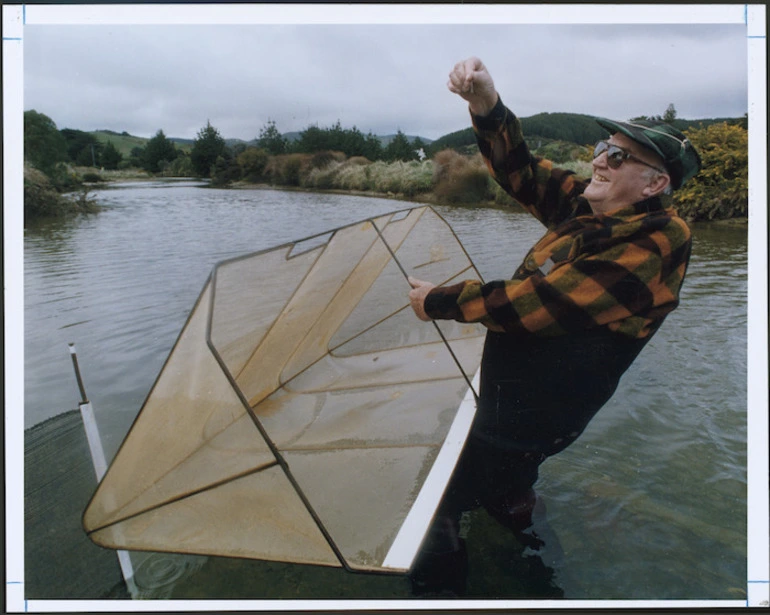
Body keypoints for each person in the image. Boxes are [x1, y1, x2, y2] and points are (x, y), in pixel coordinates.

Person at [407, 57, 702, 596]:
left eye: (618, 156)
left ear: (655, 182)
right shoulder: (592, 210)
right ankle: (542, 573)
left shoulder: (660, 238)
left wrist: (440, 302)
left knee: (432, 514)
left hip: (528, 423)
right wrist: (485, 106)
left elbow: (541, 304)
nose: (601, 161)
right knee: (508, 493)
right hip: (512, 412)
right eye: (601, 150)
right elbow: (521, 171)